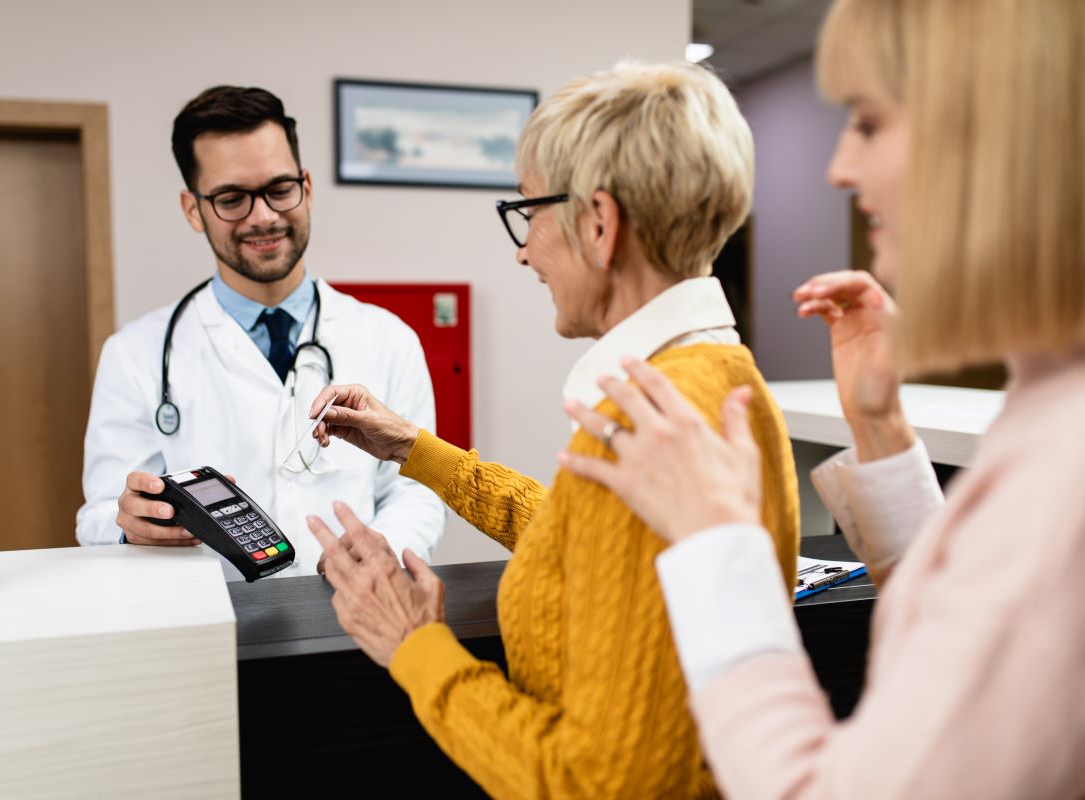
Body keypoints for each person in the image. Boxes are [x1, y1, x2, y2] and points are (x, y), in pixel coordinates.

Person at [561, 1, 1085, 797]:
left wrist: (717, 545)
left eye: (870, 123)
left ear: (1002, 137)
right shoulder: (1056, 404)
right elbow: (975, 637)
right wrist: (880, 429)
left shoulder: (1074, 463)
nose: (840, 167)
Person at [303, 62, 801, 798]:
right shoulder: (717, 377)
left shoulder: (655, 414)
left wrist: (415, 648)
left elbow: (592, 784)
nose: (523, 249)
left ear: (599, 224)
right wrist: (417, 451)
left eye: (529, 213)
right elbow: (591, 544)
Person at [75, 86, 445, 578]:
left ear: (307, 188)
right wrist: (130, 525)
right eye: (232, 198)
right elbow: (100, 514)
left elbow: (416, 492)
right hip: (203, 622)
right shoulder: (134, 354)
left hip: (356, 617)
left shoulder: (389, 339)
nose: (264, 216)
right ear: (193, 209)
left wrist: (379, 553)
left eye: (279, 189)